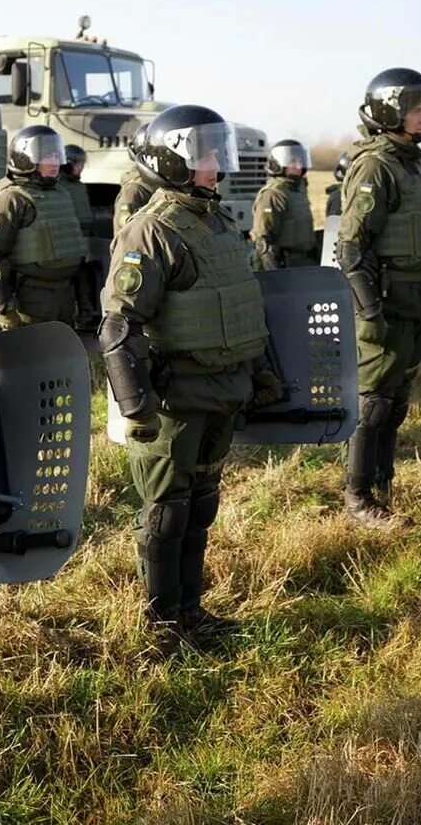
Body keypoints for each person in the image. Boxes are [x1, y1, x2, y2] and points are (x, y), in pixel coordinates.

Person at [100, 105, 283, 645]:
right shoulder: (151, 231)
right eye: (203, 154)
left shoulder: (223, 223)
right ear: (169, 159)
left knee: (201, 503)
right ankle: (161, 623)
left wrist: (262, 372)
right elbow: (118, 327)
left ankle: (190, 611)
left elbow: (249, 308)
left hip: (223, 389)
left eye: (215, 151)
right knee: (167, 511)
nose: (215, 164)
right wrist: (137, 409)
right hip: (175, 398)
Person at [334, 68, 421, 525]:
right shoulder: (376, 166)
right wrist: (370, 308)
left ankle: (382, 485)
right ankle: (359, 499)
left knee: (397, 398)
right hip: (386, 296)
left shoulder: (409, 163)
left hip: (416, 294)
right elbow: (351, 247)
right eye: (417, 109)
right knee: (374, 400)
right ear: (391, 112)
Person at [0, 125, 84, 330]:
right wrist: (5, 311)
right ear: (25, 159)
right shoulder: (12, 199)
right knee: (37, 357)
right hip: (32, 300)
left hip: (65, 297)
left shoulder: (61, 192)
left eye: (56, 155)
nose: (54, 163)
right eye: (46, 157)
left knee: (64, 358)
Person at [250, 139, 318, 269]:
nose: (298, 166)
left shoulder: (298, 189)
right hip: (285, 265)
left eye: (300, 161)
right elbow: (263, 239)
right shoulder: (273, 194)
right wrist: (276, 275)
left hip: (305, 262)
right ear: (277, 164)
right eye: (293, 161)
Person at [62, 144, 102, 330]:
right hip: (69, 244)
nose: (81, 168)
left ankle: (87, 313)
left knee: (85, 279)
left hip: (84, 240)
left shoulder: (78, 185)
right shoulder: (59, 187)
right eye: (78, 164)